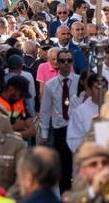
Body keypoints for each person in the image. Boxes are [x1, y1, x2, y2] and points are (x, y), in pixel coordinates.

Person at [39, 48, 80, 190]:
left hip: (76, 128)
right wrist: (44, 133)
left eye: (69, 61)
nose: (65, 64)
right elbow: (45, 111)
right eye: (62, 61)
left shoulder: (79, 82)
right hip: (60, 129)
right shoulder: (50, 85)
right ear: (57, 62)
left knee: (78, 164)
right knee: (63, 168)